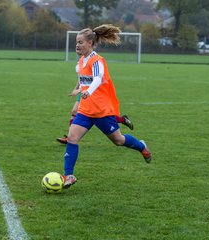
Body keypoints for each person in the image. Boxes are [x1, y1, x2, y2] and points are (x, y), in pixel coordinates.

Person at [62, 24, 152, 189]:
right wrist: (78, 93)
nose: (77, 45)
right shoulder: (81, 61)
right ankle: (69, 175)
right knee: (72, 138)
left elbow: (97, 79)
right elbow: (84, 80)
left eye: (80, 42)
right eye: (76, 42)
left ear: (90, 43)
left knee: (118, 140)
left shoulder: (98, 60)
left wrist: (87, 91)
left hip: (102, 111)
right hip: (86, 110)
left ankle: (142, 146)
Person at [56, 82, 134, 144]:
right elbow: (80, 77)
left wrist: (79, 89)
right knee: (75, 111)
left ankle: (123, 120)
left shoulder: (94, 63)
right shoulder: (80, 62)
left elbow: (96, 79)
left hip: (93, 91)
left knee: (100, 115)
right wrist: (76, 88)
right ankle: (70, 137)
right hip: (84, 89)